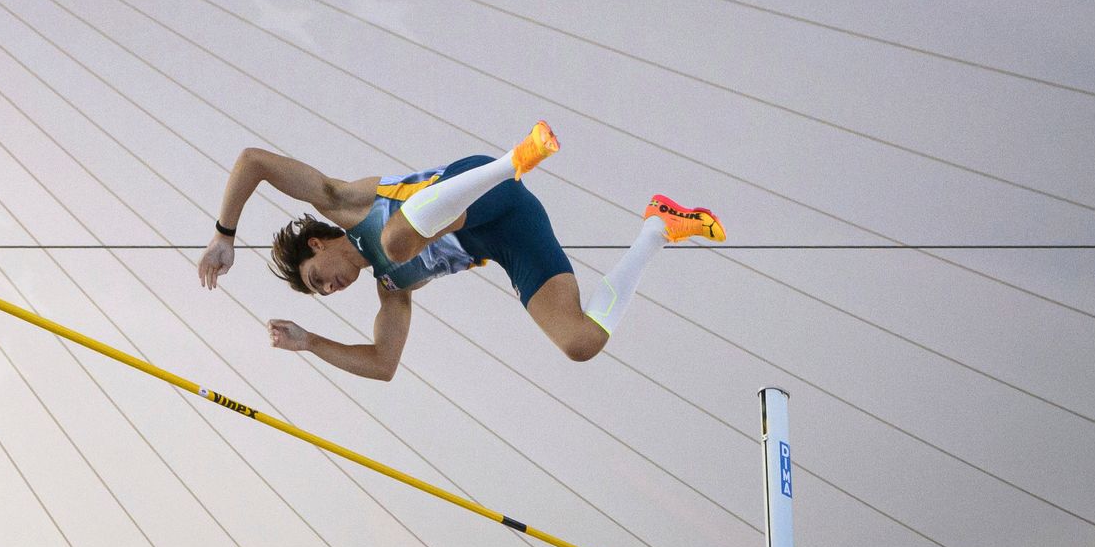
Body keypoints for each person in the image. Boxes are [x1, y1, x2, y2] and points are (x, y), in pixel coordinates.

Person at [201, 125, 720, 377]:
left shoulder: (342, 203)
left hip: (481, 185)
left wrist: (225, 233)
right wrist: (310, 341)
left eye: (318, 278)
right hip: (509, 231)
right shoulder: (392, 292)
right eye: (326, 293)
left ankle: (515, 157)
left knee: (395, 241)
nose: (331, 287)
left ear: (317, 243)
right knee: (580, 342)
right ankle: (659, 226)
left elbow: (254, 161)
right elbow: (384, 364)